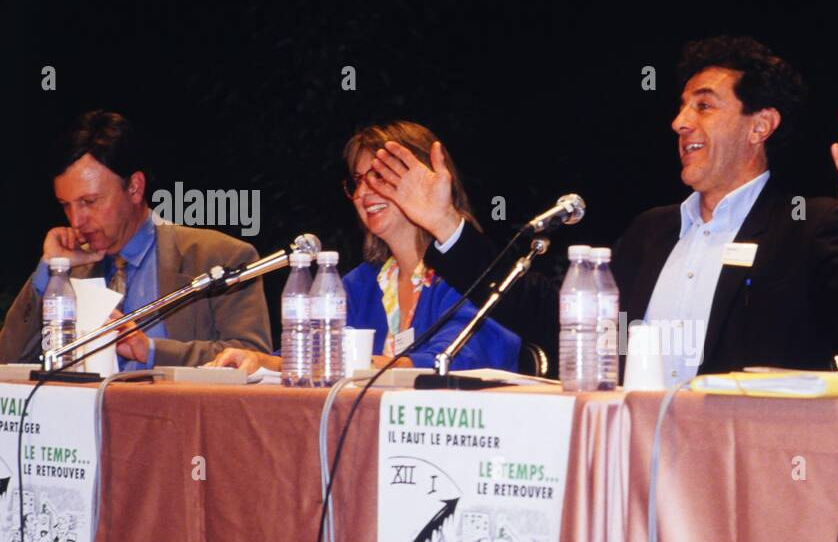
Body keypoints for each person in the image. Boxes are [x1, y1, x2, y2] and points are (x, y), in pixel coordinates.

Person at [417, 36, 838, 380]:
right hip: (634, 458)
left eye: (704, 106)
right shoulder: (652, 232)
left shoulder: (807, 226)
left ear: (760, 126)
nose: (679, 122)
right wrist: (446, 225)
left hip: (746, 471)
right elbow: (561, 317)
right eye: (682, 107)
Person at [209, 121, 519, 375]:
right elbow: (313, 354)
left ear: (426, 181)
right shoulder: (362, 283)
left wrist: (362, 368)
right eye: (358, 180)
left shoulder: (476, 272)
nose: (364, 192)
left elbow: (462, 357)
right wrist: (260, 361)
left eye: (380, 176)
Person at [0, 110, 272, 368]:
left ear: (134, 187)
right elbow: (8, 358)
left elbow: (249, 356)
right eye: (65, 205)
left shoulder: (218, 257)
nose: (76, 220)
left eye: (89, 201)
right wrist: (50, 269)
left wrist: (151, 350)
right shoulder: (68, 269)